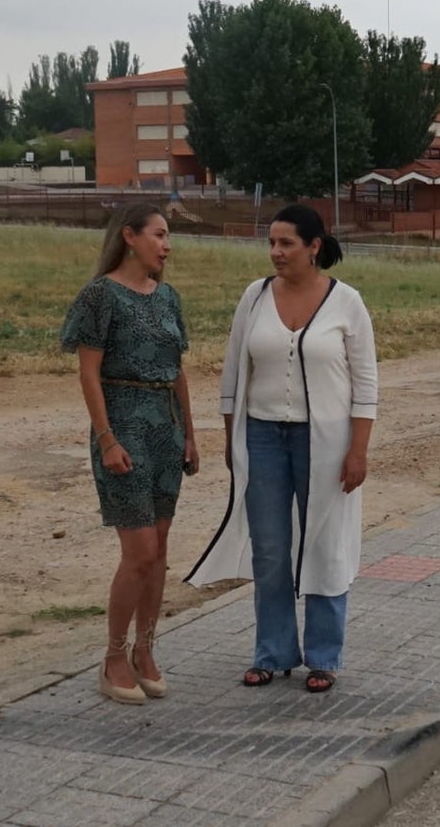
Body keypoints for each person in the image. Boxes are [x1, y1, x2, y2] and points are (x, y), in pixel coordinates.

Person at [185, 203, 377, 694]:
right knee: (269, 549)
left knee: (324, 543)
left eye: (286, 243)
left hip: (327, 442)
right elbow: (232, 373)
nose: (275, 252)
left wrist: (358, 449)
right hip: (263, 438)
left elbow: (366, 383)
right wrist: (231, 437)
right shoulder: (254, 298)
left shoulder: (347, 302)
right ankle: (272, 651)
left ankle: (323, 656)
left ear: (314, 247)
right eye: (271, 242)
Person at [61, 202, 199, 705]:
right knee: (138, 552)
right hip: (124, 428)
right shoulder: (100, 296)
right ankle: (113, 656)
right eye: (160, 234)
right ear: (130, 237)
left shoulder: (168, 298)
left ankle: (146, 650)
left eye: (169, 236)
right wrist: (106, 438)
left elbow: (177, 368)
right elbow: (88, 373)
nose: (167, 244)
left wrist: (190, 434)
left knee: (160, 551)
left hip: (166, 429)